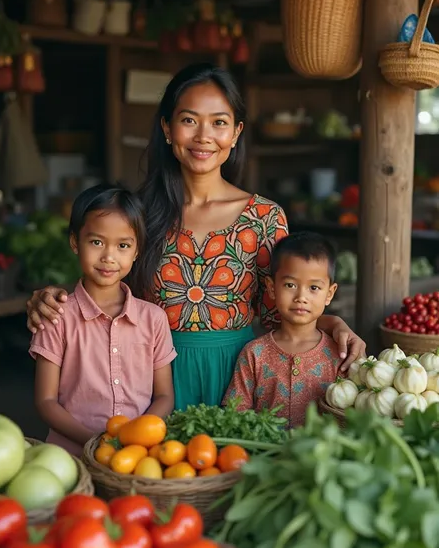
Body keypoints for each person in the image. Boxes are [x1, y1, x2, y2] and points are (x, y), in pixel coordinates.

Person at [26, 63, 365, 411]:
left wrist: (334, 322)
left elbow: (281, 312)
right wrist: (52, 300)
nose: (204, 135)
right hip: (148, 376)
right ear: (168, 129)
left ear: (235, 133)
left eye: (219, 122)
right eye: (189, 120)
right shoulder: (138, 214)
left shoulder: (264, 218)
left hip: (239, 374)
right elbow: (105, 286)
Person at [29, 184, 176, 456]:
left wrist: (134, 439)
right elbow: (45, 401)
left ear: (137, 251)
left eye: (123, 245)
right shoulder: (55, 315)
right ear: (75, 242)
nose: (109, 256)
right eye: (96, 242)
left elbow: (164, 396)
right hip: (71, 455)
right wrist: (95, 443)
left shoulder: (153, 318)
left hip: (135, 455)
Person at [223, 232, 341, 427]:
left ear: (329, 293)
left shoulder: (338, 356)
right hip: (263, 453)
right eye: (290, 285)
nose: (301, 297)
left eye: (314, 288)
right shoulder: (254, 353)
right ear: (271, 288)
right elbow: (235, 412)